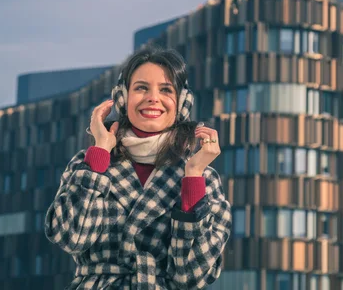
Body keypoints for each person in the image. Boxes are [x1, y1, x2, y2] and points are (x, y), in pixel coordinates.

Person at [45, 46, 232, 289]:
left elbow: (192, 275)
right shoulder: (90, 164)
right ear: (122, 98)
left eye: (166, 90)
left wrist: (193, 177)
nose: (153, 98)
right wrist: (101, 150)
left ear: (182, 103)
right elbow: (71, 237)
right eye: (141, 88)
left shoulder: (203, 177)